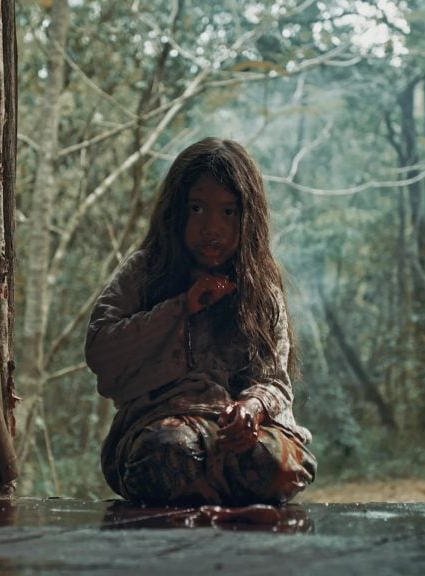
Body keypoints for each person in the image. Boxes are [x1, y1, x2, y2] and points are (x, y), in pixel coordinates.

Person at [85, 137, 316, 507]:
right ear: (176, 212)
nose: (213, 228)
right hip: (160, 426)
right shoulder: (145, 271)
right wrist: (179, 309)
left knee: (280, 466)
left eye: (228, 212)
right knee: (168, 454)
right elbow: (100, 348)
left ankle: (213, 503)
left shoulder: (261, 287)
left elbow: (274, 380)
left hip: (238, 432)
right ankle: (217, 509)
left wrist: (250, 410)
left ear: (248, 218)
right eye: (197, 209)